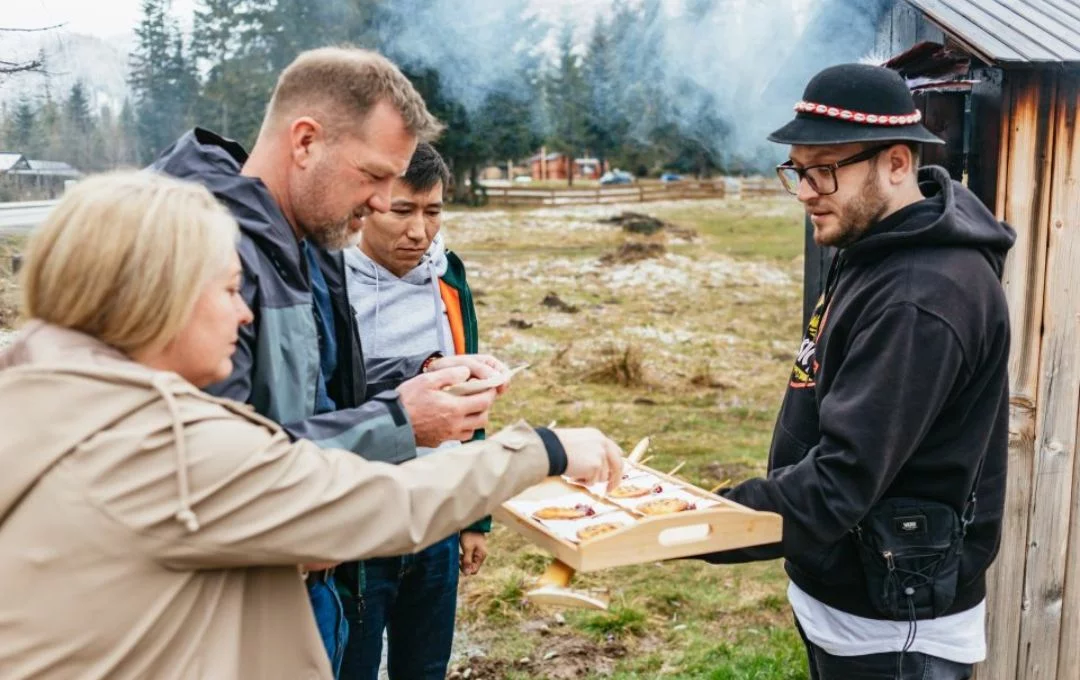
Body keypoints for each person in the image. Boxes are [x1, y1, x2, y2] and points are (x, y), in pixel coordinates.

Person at [0, 170, 624, 680]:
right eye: (227, 289)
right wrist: (542, 447)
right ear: (155, 297)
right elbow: (381, 503)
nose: (246, 314)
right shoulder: (163, 445)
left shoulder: (32, 392)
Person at [148, 47, 505, 671]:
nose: (377, 204)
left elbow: (311, 402)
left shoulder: (306, 244)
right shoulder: (200, 248)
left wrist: (413, 388)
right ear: (306, 142)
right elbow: (210, 477)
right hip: (234, 620)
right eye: (372, 176)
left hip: (305, 589)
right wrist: (400, 422)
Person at [702, 64, 1015, 680]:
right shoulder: (874, 245)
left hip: (894, 631)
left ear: (897, 163)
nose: (805, 191)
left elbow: (842, 480)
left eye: (825, 170)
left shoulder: (919, 298)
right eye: (797, 169)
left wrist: (697, 524)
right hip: (854, 593)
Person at [339, 143, 486, 679]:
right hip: (358, 522)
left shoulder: (449, 277)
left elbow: (469, 398)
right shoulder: (330, 283)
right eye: (402, 211)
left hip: (437, 513)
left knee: (425, 668)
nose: (419, 232)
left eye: (433, 211)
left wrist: (476, 517)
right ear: (366, 203)